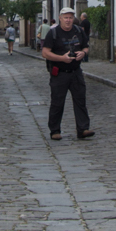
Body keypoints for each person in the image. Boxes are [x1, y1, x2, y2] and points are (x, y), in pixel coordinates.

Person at [41, 7, 94, 141]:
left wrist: (83, 53)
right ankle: (55, 130)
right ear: (60, 18)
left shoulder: (78, 31)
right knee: (57, 102)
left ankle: (83, 129)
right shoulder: (53, 33)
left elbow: (86, 46)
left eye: (70, 18)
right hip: (59, 73)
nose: (68, 20)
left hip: (76, 72)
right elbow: (45, 53)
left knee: (80, 101)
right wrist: (62, 58)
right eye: (66, 18)